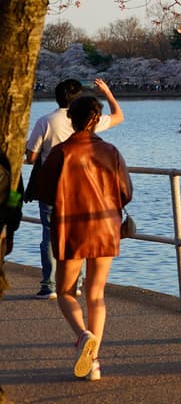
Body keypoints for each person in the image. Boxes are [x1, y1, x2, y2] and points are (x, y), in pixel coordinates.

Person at [36, 95, 133, 382]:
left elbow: (45, 191)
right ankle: (94, 362)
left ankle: (82, 336)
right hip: (105, 227)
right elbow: (126, 192)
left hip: (72, 227)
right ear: (96, 119)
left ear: (71, 119)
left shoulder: (61, 152)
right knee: (96, 294)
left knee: (66, 291)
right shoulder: (111, 151)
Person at [25, 78, 125, 299]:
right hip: (84, 190)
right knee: (78, 234)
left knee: (50, 234)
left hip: (54, 187)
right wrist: (107, 92)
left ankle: (50, 285)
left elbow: (31, 156)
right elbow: (119, 116)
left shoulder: (45, 121)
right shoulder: (89, 121)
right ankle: (76, 283)